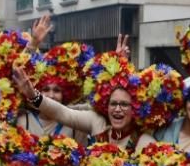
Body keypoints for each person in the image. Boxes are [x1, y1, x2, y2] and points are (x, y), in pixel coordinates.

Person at [12, 42, 179, 153]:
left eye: (124, 105)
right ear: (105, 105)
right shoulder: (97, 121)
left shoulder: (144, 140)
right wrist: (33, 95)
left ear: (135, 108)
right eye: (113, 103)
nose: (117, 109)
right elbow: (62, 113)